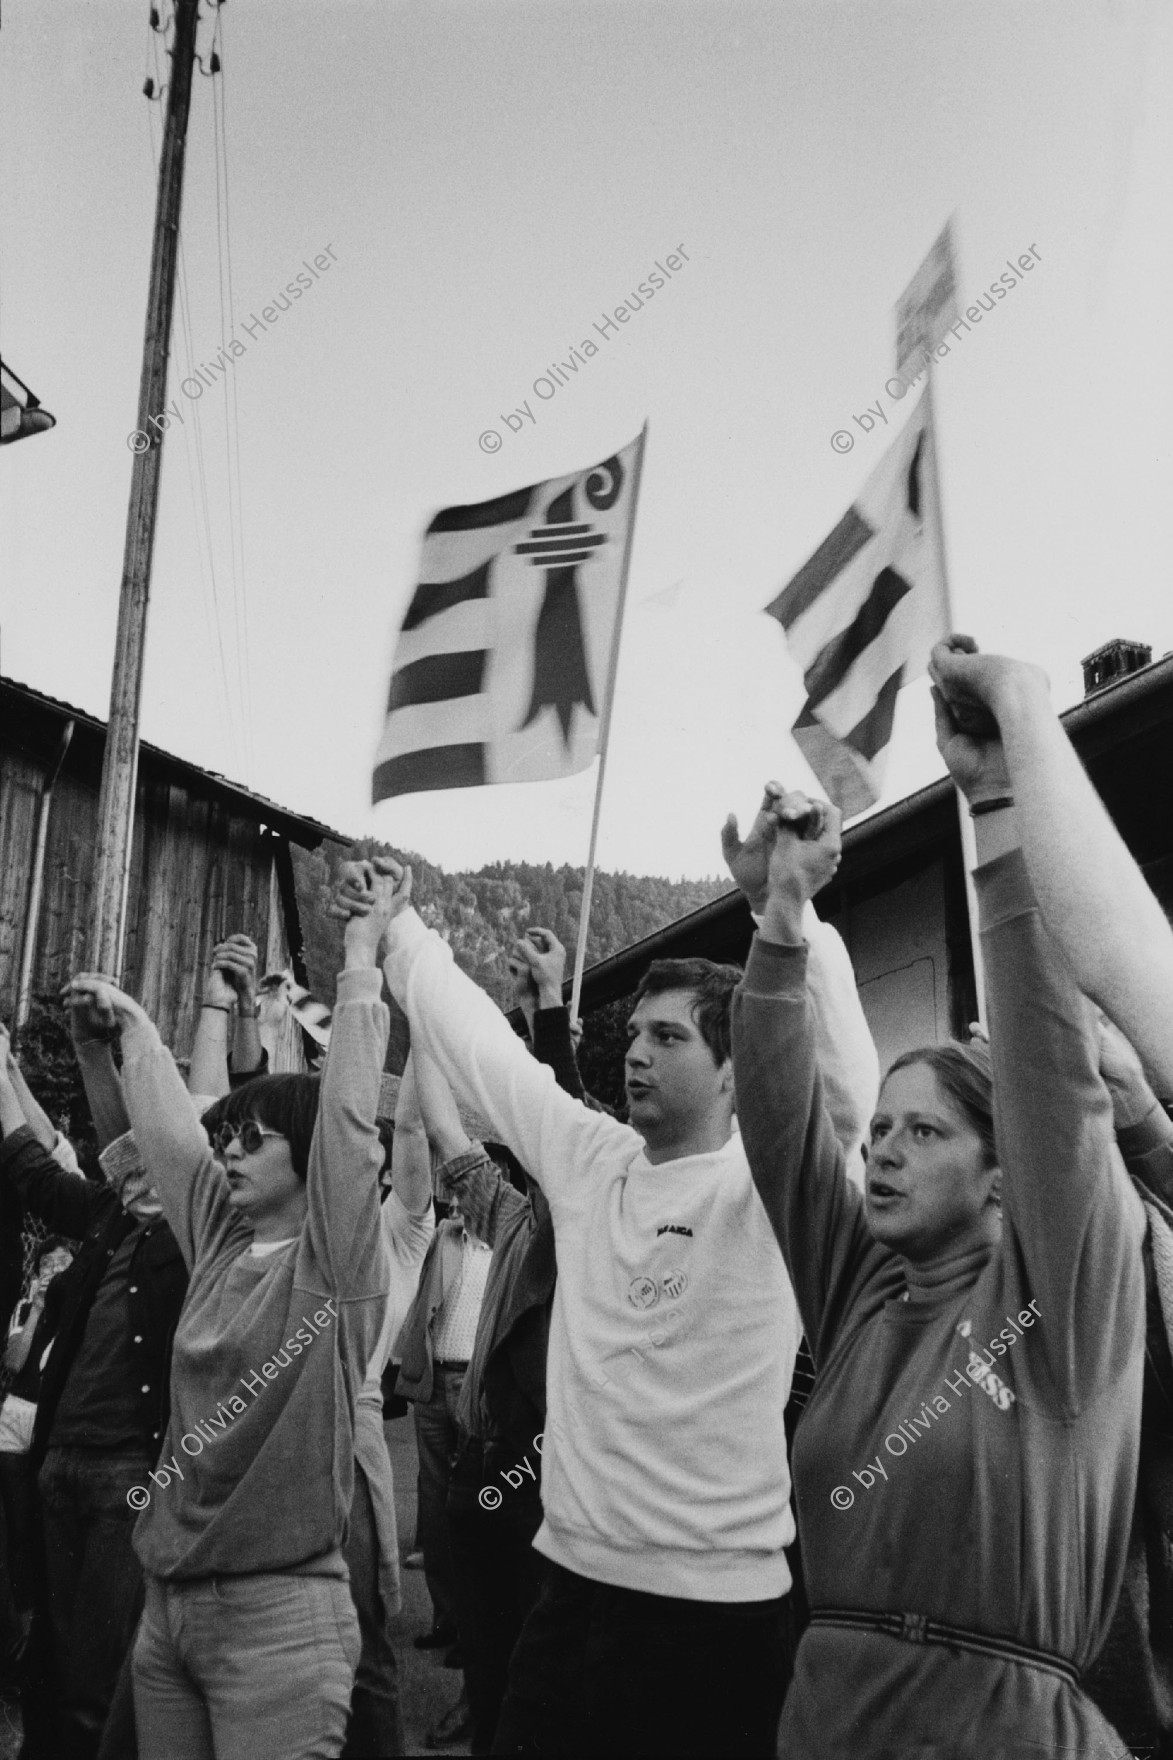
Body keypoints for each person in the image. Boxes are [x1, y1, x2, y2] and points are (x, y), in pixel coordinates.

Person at [361, 847, 877, 1759]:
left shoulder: (772, 1188)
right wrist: (402, 928)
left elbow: (842, 1099)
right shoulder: (589, 1157)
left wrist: (784, 910)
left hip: (719, 1616)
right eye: (636, 1032)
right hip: (566, 1593)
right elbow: (480, 1050)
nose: (635, 1052)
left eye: (668, 1037)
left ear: (734, 1071)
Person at [726, 675, 1146, 1755]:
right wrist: (780, 916)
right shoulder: (862, 1291)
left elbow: (1054, 1083)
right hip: (825, 1718)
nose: (881, 1150)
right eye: (878, 1130)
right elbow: (780, 1128)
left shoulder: (1063, 1309)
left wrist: (999, 805)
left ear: (1005, 1176)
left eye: (922, 1133)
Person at [63, 856, 400, 1760]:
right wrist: (122, 1032)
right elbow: (171, 1137)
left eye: (259, 1136)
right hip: (170, 1607)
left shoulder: (335, 1271)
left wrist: (360, 952)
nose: (234, 1149)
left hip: (280, 1619)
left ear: (307, 1161)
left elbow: (351, 1125)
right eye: (231, 1135)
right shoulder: (216, 1240)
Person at [0, 999, 188, 1760]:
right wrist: (34, 1059)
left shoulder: (195, 1237)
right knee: (48, 1660)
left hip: (127, 1477)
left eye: (153, 1161)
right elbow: (30, 1159)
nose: (130, 1168)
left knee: (96, 1681)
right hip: (60, 1464)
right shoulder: (110, 1217)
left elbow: (135, 1140)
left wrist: (127, 1044)